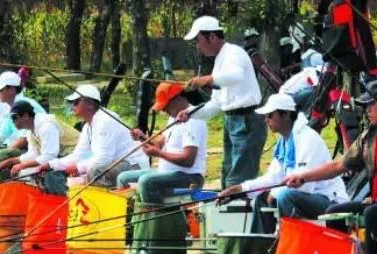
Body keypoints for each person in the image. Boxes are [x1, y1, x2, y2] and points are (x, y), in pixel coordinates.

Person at [286, 81, 377, 254]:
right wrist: (303, 176)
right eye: (364, 106)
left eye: (371, 104)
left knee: (373, 214)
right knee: (335, 213)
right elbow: (338, 166)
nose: (367, 110)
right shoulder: (368, 136)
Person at [219, 93, 348, 231]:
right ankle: (260, 247)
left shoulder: (307, 138)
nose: (266, 120)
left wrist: (274, 193)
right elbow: (272, 178)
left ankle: (287, 243)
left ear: (285, 115)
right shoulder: (284, 141)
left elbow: (304, 186)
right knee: (261, 198)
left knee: (285, 196)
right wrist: (241, 189)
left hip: (331, 202)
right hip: (308, 197)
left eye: (270, 116)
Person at [178, 15, 266, 188]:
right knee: (228, 175)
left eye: (198, 40)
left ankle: (240, 212)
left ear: (212, 37)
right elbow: (216, 104)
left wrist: (207, 80)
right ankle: (230, 209)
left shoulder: (234, 53)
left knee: (239, 178)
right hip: (231, 120)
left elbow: (235, 76)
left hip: (246, 120)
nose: (198, 46)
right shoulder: (220, 60)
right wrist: (190, 113)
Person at [36, 84, 149, 188]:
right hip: (112, 164)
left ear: (89, 104)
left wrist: (78, 167)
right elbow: (77, 155)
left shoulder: (105, 120)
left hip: (133, 164)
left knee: (95, 170)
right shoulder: (87, 127)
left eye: (76, 102)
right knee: (85, 172)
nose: (72, 107)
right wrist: (51, 164)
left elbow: (104, 159)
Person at [116, 82, 208, 204]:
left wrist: (159, 154)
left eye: (165, 106)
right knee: (123, 178)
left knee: (146, 182)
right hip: (166, 172)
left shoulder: (193, 121)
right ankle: (130, 219)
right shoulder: (174, 117)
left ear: (179, 99)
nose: (164, 111)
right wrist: (142, 138)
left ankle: (156, 221)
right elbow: (159, 144)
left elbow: (188, 160)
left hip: (189, 177)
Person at [0, 100, 79, 176]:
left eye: (14, 117)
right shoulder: (30, 130)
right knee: (29, 172)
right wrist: (12, 161)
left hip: (76, 155)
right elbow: (34, 154)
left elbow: (49, 156)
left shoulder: (46, 126)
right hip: (62, 156)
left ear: (26, 116)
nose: (12, 121)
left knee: (38, 173)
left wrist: (23, 165)